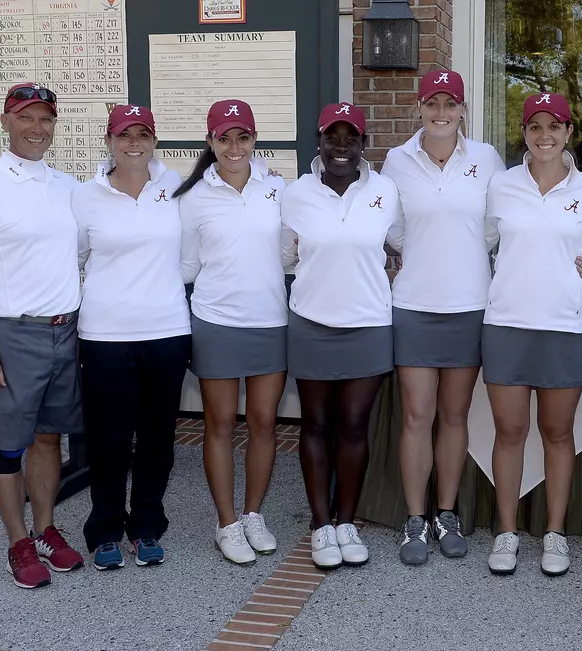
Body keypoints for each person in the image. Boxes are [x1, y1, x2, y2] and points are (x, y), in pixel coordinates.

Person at [0, 83, 85, 588]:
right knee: (8, 445)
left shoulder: (69, 187)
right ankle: (18, 540)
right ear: (6, 122)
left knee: (49, 437)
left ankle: (46, 529)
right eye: (26, 118)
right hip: (12, 334)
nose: (37, 128)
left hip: (63, 332)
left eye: (45, 119)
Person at [379, 69, 506, 566]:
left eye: (449, 104)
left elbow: (496, 229)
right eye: (432, 103)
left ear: (462, 110)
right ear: (419, 108)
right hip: (413, 306)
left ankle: (446, 514)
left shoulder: (487, 160)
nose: (440, 113)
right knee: (416, 415)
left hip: (470, 305)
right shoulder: (396, 161)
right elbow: (392, 232)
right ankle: (415, 519)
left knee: (454, 416)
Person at [482, 93, 582, 576]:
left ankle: (554, 535)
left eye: (554, 126)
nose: (544, 135)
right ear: (525, 133)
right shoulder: (501, 185)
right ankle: (506, 532)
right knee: (509, 432)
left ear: (568, 132)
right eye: (535, 126)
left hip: (562, 327)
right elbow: (486, 243)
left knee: (557, 433)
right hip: (507, 324)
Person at [280, 102, 403, 569]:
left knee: (353, 426)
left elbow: (402, 243)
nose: (341, 145)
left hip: (369, 323)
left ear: (364, 145)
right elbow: (287, 257)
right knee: (315, 425)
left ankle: (346, 521)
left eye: (351, 137)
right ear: (319, 141)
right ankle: (320, 524)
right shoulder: (296, 193)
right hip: (311, 323)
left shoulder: (386, 191)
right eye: (333, 135)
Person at [72, 104, 191, 571]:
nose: (134, 143)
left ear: (154, 140)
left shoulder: (175, 186)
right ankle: (104, 529)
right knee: (109, 440)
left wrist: (156, 289)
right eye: (125, 134)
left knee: (158, 439)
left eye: (143, 134)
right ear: (109, 140)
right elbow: (76, 257)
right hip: (104, 336)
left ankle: (146, 526)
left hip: (166, 332)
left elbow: (189, 256)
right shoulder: (85, 196)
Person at [175, 99, 287, 565]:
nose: (234, 146)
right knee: (219, 426)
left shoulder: (280, 189)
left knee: (264, 425)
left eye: (243, 137)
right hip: (216, 323)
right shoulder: (193, 197)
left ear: (255, 140)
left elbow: (290, 255)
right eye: (224, 138)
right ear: (210, 142)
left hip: (270, 322)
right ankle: (226, 523)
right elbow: (185, 267)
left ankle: (253, 513)